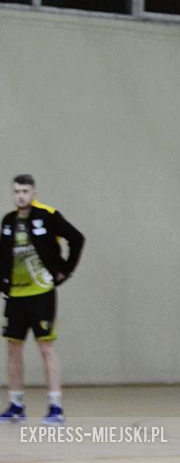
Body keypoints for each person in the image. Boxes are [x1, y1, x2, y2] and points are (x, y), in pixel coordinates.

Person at [0, 174, 85, 424]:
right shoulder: (8, 221)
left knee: (46, 348)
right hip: (15, 295)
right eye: (16, 191)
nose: (21, 195)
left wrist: (65, 270)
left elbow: (77, 238)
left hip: (41, 294)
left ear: (33, 193)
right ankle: (16, 404)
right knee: (13, 348)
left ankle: (55, 407)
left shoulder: (47, 215)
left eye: (25, 191)